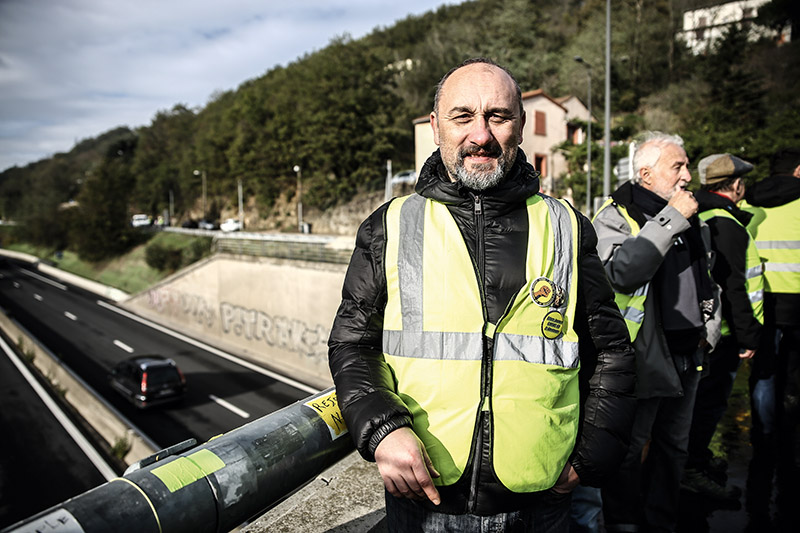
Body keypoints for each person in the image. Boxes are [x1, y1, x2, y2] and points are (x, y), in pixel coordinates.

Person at [327, 58, 636, 532]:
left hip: (541, 503)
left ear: (521, 126)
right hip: (427, 504)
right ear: (436, 127)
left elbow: (611, 352)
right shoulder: (389, 226)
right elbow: (353, 344)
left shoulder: (567, 227)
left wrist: (592, 456)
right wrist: (382, 429)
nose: (481, 135)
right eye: (463, 116)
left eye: (498, 116)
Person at [592, 131, 721, 532]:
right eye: (676, 167)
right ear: (646, 174)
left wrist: (709, 331)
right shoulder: (615, 215)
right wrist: (671, 219)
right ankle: (624, 522)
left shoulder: (692, 218)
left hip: (689, 352)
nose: (687, 176)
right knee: (630, 451)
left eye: (686, 166)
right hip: (644, 357)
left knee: (673, 450)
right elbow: (622, 273)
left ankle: (662, 521)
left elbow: (708, 280)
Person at [682, 153, 763, 502]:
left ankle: (695, 460)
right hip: (724, 333)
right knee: (709, 405)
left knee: (698, 404)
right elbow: (733, 287)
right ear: (735, 185)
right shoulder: (725, 222)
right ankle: (693, 470)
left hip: (706, 329)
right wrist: (748, 336)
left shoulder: (702, 212)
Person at [741, 148, 800, 507]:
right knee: (793, 374)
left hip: (761, 302)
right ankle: (789, 433)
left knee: (764, 371)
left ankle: (764, 433)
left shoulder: (751, 204)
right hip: (797, 303)